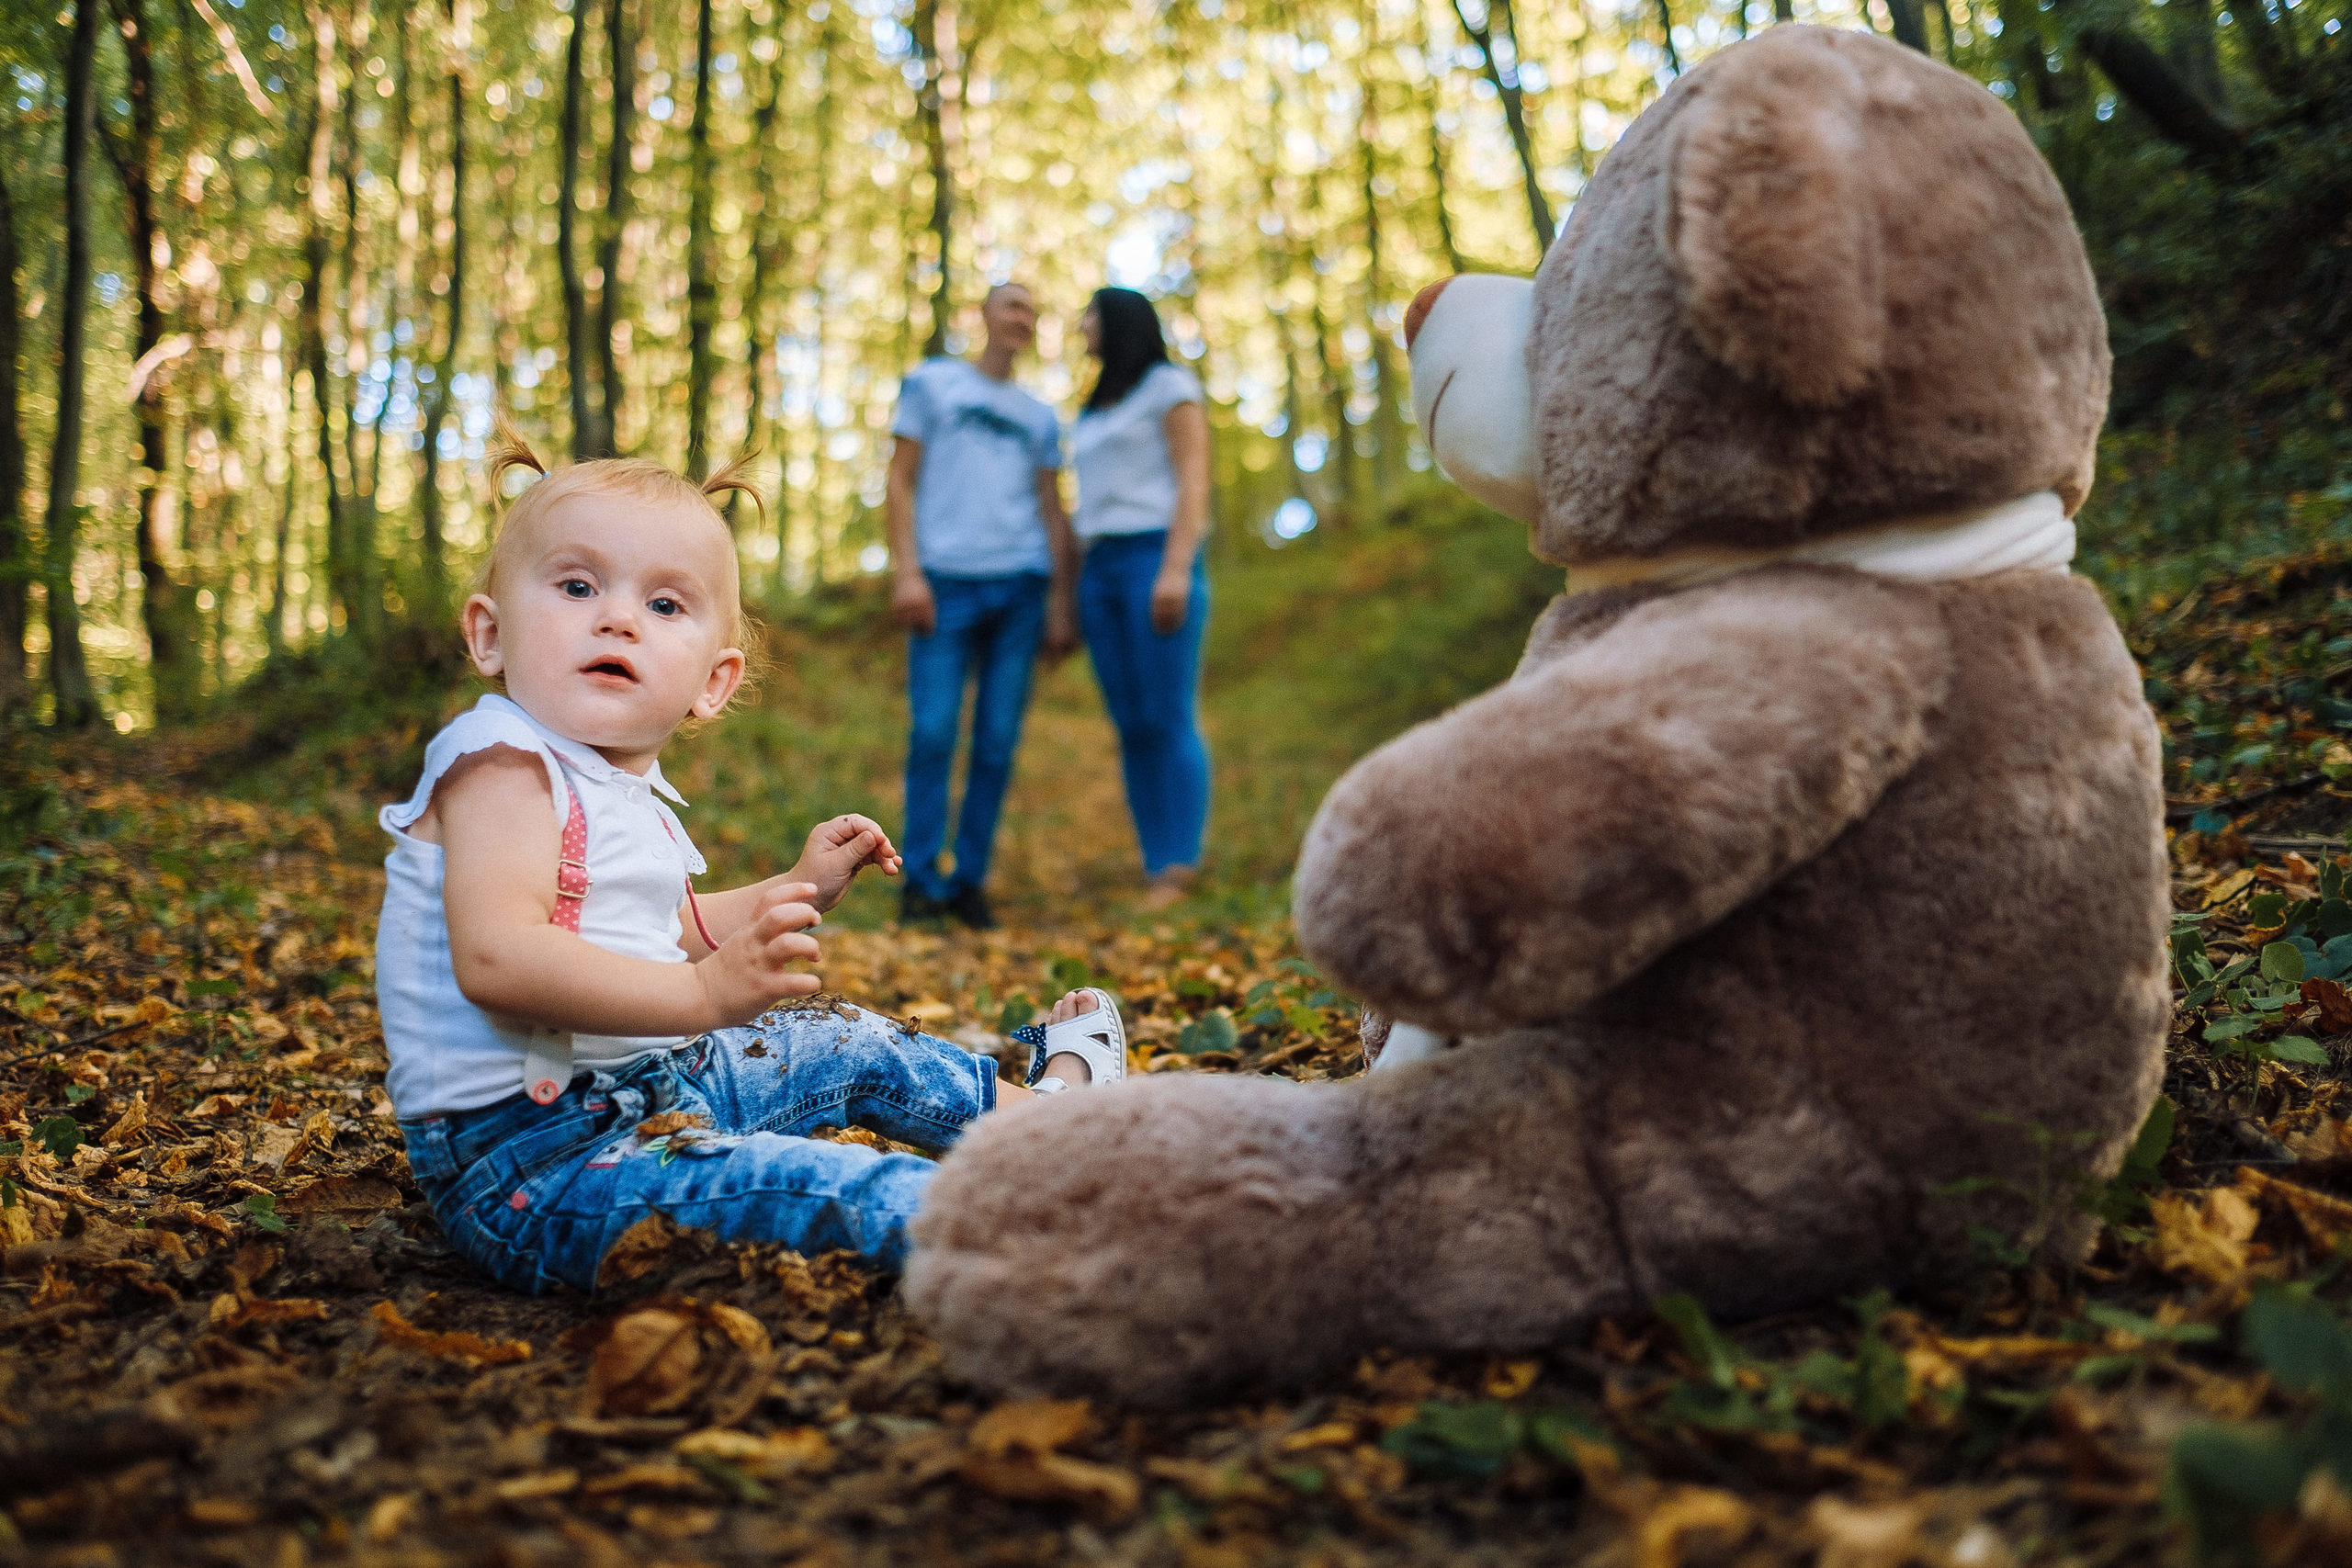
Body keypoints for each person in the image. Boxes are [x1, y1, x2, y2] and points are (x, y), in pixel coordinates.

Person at [375, 423, 1130, 1295]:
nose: (618, 615)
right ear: (490, 636)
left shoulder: (620, 787)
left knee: (834, 1036)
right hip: (536, 1171)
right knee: (815, 1187)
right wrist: (702, 998)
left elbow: (678, 928)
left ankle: (1056, 1132)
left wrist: (798, 886)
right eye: (577, 585)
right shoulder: (500, 760)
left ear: (711, 684)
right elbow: (498, 956)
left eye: (665, 605)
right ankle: (1068, 1250)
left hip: (645, 1095)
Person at [885, 282, 1076, 931]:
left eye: (1030, 308)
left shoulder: (1040, 415)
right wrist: (907, 570)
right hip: (945, 584)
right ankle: (918, 880)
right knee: (934, 730)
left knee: (996, 741)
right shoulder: (932, 384)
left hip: (1021, 586)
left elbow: (1053, 508)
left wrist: (1060, 603)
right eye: (1010, 305)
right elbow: (899, 480)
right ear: (985, 315)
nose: (1020, 316)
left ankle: (969, 880)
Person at [1069, 288, 1213, 909]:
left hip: (1155, 555)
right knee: (1129, 724)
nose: (1082, 326)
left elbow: (1192, 478)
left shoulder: (1169, 386)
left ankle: (1179, 864)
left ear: (1120, 320)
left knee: (1166, 715)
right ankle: (1155, 857)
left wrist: (1176, 567)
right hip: (1098, 566)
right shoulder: (1095, 407)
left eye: (1091, 315)